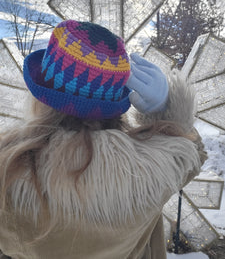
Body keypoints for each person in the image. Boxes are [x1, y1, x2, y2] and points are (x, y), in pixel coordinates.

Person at [0, 20, 206, 259]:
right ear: (115, 102)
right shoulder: (150, 171)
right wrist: (166, 111)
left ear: (41, 98)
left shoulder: (8, 169)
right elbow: (191, 153)